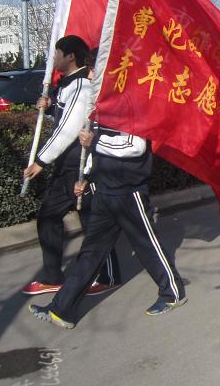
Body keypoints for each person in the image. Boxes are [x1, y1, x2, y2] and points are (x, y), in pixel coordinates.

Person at [29, 125, 186, 328]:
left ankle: (173, 293)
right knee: (90, 252)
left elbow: (135, 146)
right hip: (103, 192)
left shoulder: (133, 110)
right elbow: (95, 150)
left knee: (147, 245)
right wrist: (86, 177)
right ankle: (61, 310)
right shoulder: (102, 110)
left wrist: (95, 141)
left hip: (129, 192)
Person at [21, 35, 117, 297]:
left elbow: (68, 129)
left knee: (83, 221)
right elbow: (63, 118)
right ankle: (65, 276)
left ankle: (100, 276)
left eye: (57, 54)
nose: (54, 59)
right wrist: (51, 106)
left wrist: (41, 160)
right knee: (68, 218)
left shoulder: (82, 87)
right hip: (69, 164)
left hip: (78, 164)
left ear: (70, 56)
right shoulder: (68, 85)